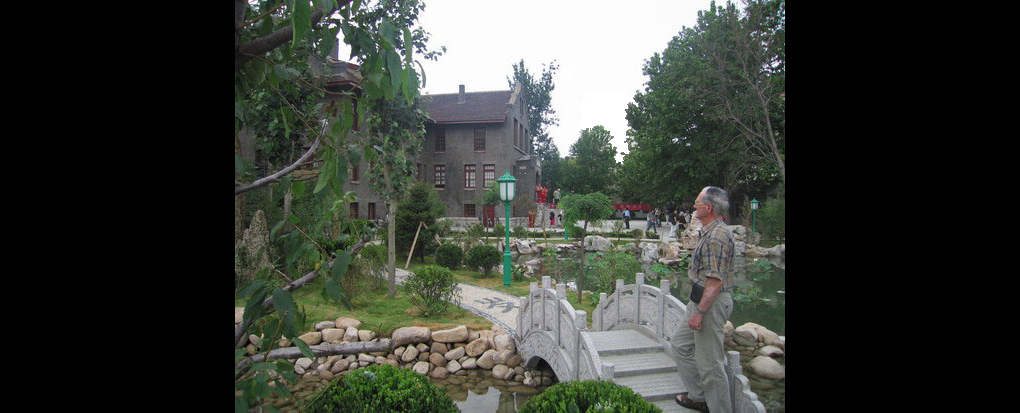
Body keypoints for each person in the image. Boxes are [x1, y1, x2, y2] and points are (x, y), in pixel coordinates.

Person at [671, 187, 735, 413]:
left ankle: (719, 408)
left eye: (697, 202)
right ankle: (699, 397)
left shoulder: (717, 236)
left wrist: (700, 312)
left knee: (710, 364)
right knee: (680, 344)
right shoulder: (709, 231)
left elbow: (715, 282)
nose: (694, 205)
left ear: (708, 207)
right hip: (700, 299)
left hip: (710, 303)